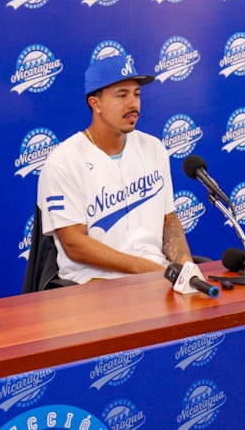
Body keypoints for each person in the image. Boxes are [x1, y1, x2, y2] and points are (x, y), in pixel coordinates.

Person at [36, 54, 194, 284]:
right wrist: (146, 269)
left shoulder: (153, 148)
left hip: (156, 277)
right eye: (122, 95)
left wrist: (186, 267)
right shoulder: (64, 160)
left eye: (137, 94)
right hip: (94, 284)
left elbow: (168, 219)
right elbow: (73, 243)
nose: (133, 104)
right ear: (95, 103)